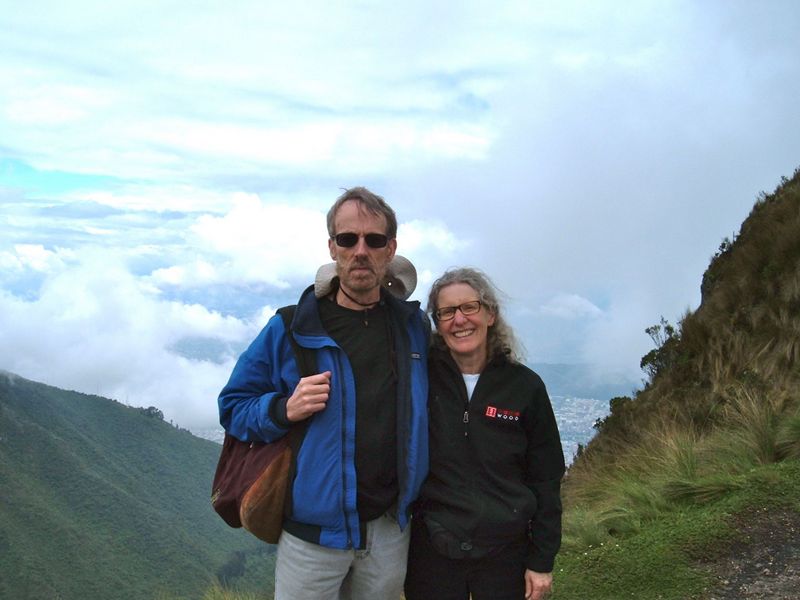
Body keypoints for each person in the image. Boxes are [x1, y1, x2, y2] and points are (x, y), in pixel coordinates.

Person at [218, 187, 429, 600]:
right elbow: (233, 406)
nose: (361, 251)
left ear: (391, 249)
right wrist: (283, 408)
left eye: (374, 240)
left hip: (388, 531)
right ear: (332, 247)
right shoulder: (291, 328)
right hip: (311, 539)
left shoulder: (413, 329)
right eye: (348, 239)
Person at [404, 267, 565, 600]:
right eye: (447, 312)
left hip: (506, 552)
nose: (459, 320)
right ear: (437, 324)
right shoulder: (421, 381)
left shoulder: (525, 387)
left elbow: (546, 478)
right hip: (432, 549)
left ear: (490, 314)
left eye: (470, 307)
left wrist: (542, 560)